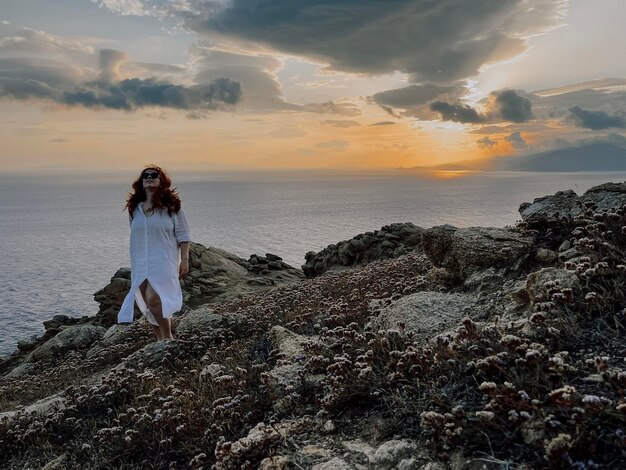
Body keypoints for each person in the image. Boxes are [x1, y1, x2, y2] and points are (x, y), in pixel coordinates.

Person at [117, 165, 191, 340]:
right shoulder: (135, 209)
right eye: (145, 176)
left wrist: (185, 259)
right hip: (141, 261)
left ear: (161, 181)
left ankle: (168, 337)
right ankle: (159, 339)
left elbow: (183, 234)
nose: (149, 177)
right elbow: (137, 234)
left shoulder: (172, 207)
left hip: (164, 260)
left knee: (154, 298)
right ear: (141, 182)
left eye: (154, 175)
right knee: (147, 304)